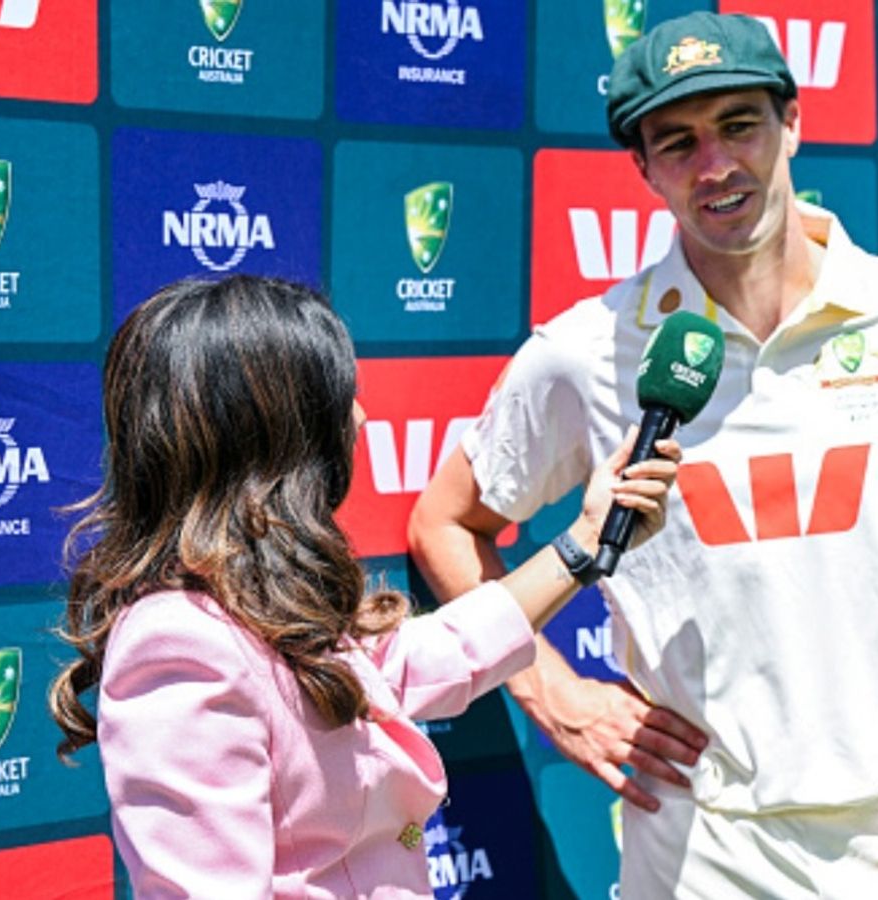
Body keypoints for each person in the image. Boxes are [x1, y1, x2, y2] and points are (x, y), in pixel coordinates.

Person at [409, 11, 878, 899]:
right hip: (700, 862)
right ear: (644, 170)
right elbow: (446, 521)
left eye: (739, 125)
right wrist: (555, 696)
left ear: (793, 122)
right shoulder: (590, 349)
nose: (716, 165)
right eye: (677, 142)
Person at [46, 275, 681, 899]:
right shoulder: (180, 646)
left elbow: (424, 658)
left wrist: (586, 540)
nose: (360, 415)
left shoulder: (255, 600)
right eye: (337, 394)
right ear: (273, 430)